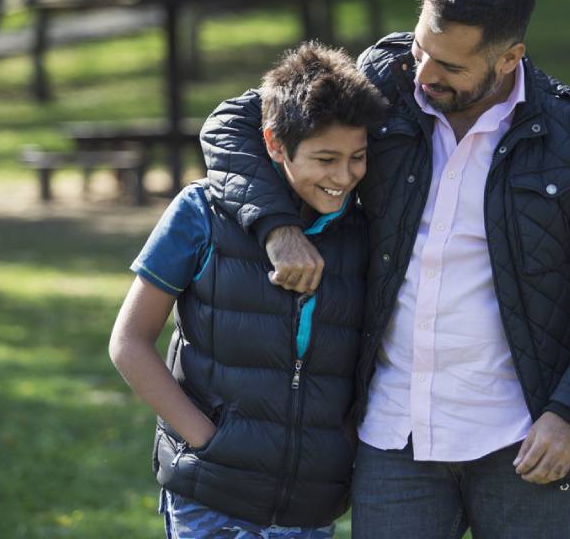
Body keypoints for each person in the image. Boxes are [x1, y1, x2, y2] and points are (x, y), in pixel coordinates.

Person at [199, 0, 570, 537]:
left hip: (523, 439)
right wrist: (277, 229)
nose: (423, 73)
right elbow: (231, 124)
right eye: (421, 48)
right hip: (393, 436)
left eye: (449, 65)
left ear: (509, 58)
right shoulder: (384, 78)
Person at [108, 41, 388, 539]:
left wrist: (340, 446)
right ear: (275, 144)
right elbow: (128, 342)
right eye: (326, 159)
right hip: (209, 500)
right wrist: (204, 438)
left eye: (358, 158)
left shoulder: (365, 235)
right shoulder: (201, 212)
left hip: (309, 510)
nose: (344, 177)